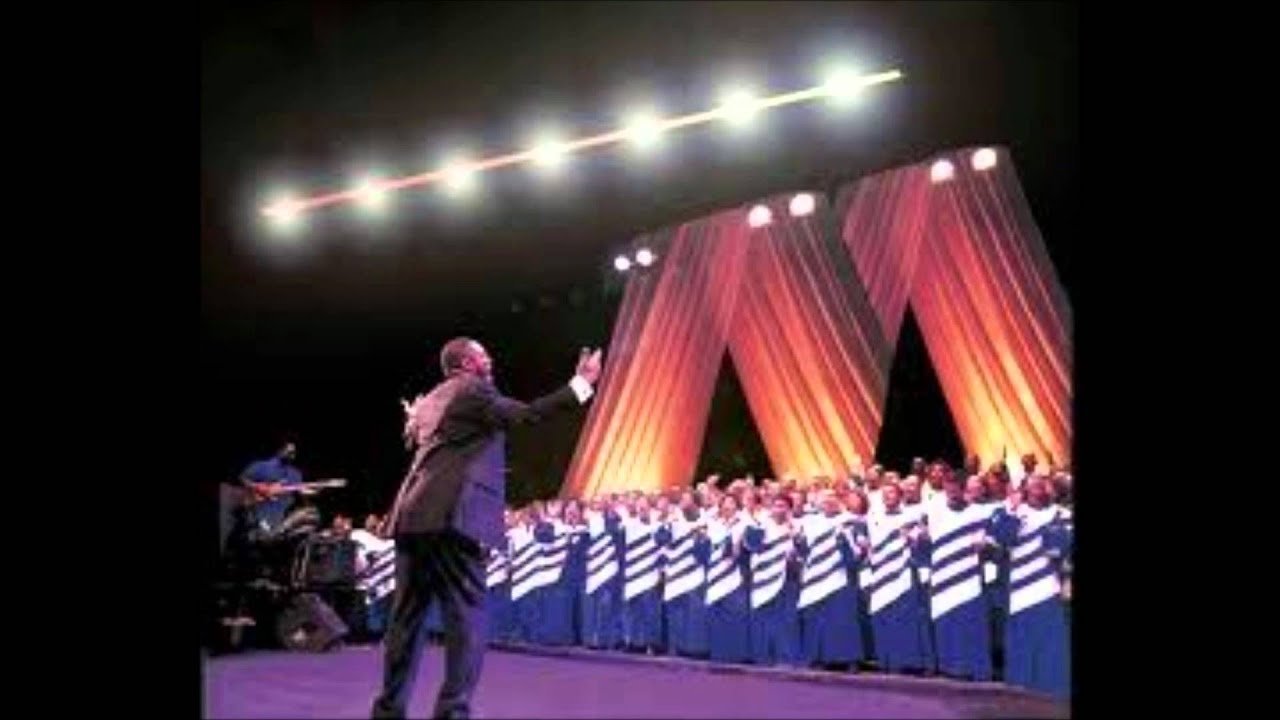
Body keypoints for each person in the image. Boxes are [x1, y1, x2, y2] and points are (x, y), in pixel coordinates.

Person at [370, 338, 602, 720]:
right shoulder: (474, 390)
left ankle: (387, 710)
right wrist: (580, 385)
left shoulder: (434, 399)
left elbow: (421, 434)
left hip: (412, 517)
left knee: (405, 621)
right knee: (467, 619)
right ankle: (453, 713)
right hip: (452, 518)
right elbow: (526, 414)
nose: (489, 359)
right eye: (482, 355)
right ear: (464, 362)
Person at [239, 442, 304, 534]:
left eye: (294, 452)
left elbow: (301, 491)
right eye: (289, 451)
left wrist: (317, 488)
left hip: (281, 516)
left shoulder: (296, 474)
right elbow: (243, 478)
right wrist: (258, 487)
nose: (292, 454)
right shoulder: (261, 466)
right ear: (280, 450)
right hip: (259, 512)